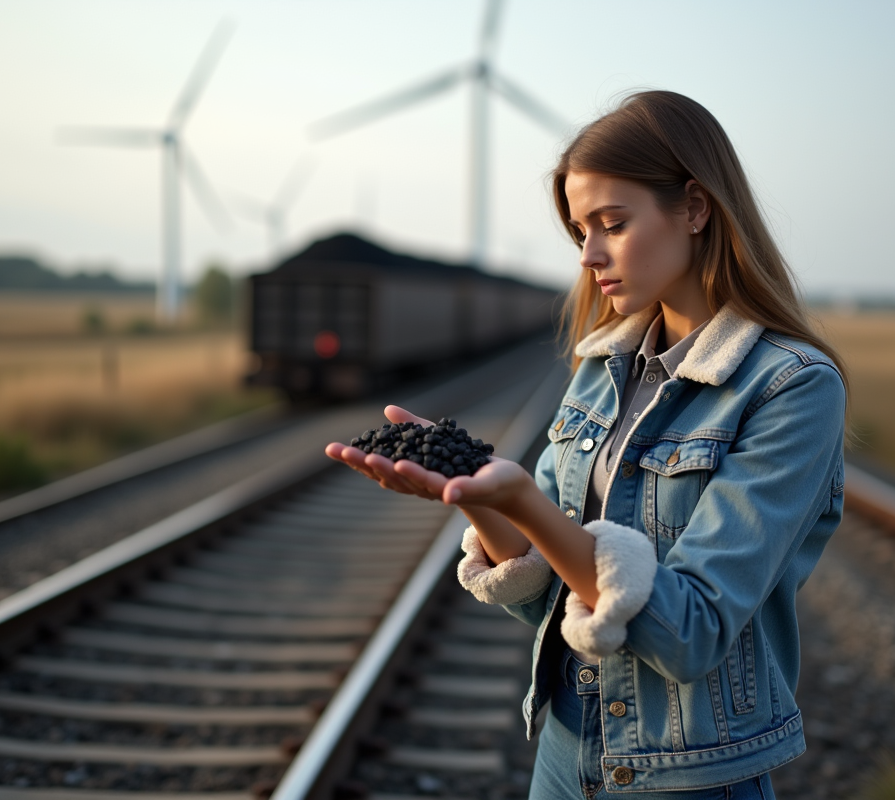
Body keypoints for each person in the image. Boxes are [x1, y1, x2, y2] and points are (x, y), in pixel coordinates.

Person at [326, 90, 848, 799]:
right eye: (580, 232)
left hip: (685, 774)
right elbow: (545, 598)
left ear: (695, 208)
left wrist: (522, 500)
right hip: (567, 749)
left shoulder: (792, 388)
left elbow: (688, 632)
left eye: (612, 223)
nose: (589, 255)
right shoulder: (602, 367)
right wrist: (478, 501)